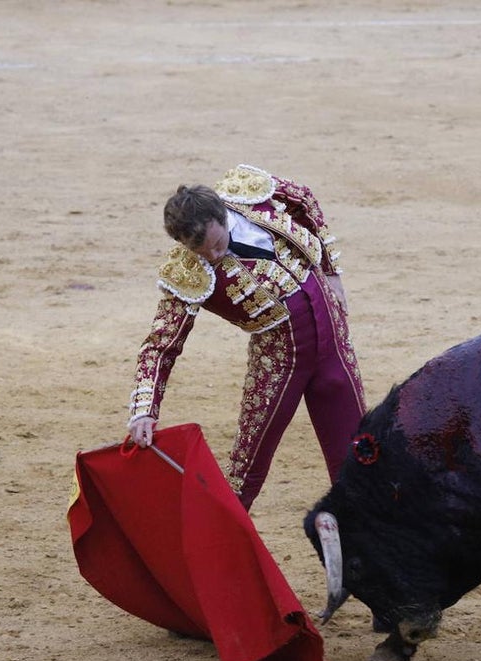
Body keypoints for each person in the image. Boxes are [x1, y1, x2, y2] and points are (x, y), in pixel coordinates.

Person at [127, 164, 367, 511]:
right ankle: (217, 541)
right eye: (202, 252)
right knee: (244, 472)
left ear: (223, 216)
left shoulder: (248, 191)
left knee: (357, 454)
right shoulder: (186, 273)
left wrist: (331, 271)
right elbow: (161, 345)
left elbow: (304, 200)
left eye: (217, 244)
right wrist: (143, 411)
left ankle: (370, 541)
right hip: (279, 361)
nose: (214, 256)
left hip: (333, 338)